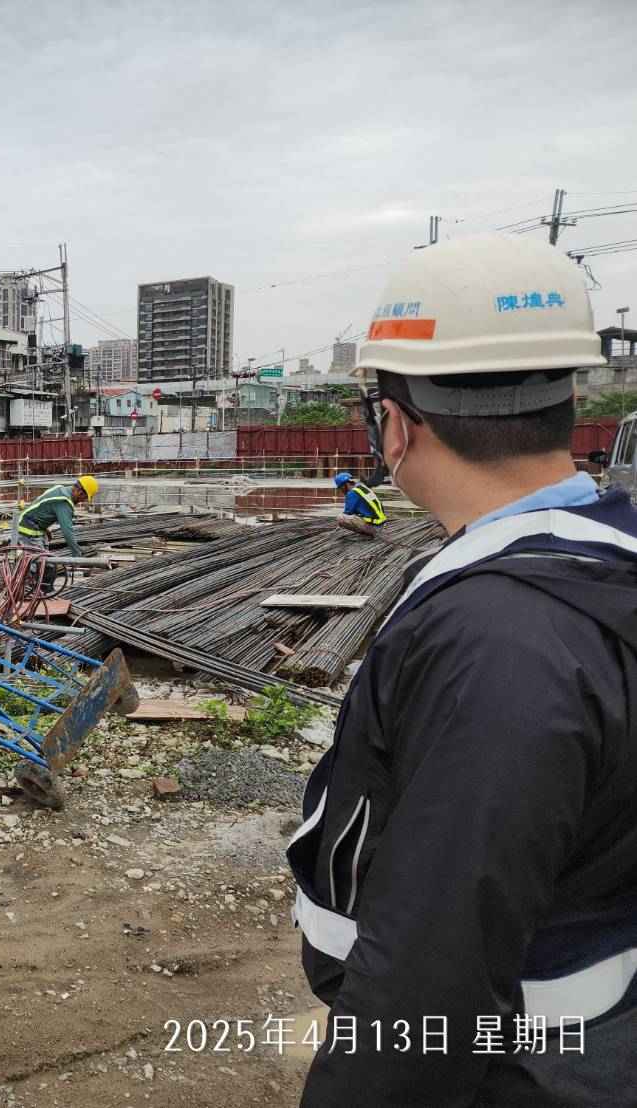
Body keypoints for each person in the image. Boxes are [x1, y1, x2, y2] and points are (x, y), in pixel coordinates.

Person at [290, 232, 637, 1107]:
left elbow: (432, 964)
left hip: (522, 1065)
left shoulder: (499, 638)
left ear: (395, 426)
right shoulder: (597, 563)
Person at [15, 475, 98, 556]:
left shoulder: (60, 489)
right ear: (80, 492)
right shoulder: (64, 502)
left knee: (44, 562)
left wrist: (45, 528)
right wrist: (77, 554)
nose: (82, 501)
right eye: (84, 498)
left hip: (30, 524)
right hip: (28, 530)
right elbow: (67, 532)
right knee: (37, 564)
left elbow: (38, 506)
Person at [332, 470, 387, 535]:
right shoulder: (362, 488)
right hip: (381, 524)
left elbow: (347, 513)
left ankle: (367, 533)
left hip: (374, 527)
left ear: (345, 485)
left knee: (340, 517)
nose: (341, 490)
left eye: (341, 488)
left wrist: (339, 526)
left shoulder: (352, 493)